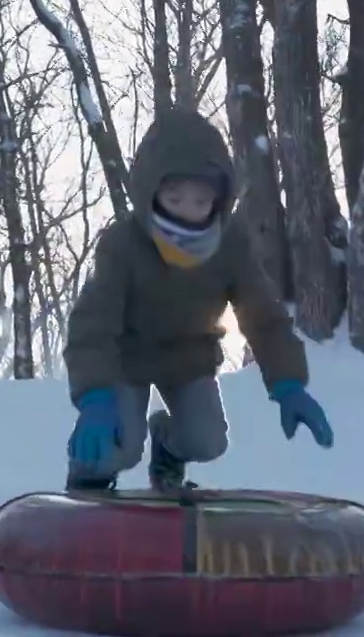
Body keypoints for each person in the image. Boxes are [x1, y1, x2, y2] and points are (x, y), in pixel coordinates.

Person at [62, 108, 334, 492]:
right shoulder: (122, 245)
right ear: (150, 192)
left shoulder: (231, 243)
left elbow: (263, 316)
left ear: (219, 198)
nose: (188, 210)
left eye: (200, 200)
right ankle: (88, 476)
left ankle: (168, 451)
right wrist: (95, 397)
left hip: (189, 357)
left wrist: (288, 384)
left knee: (207, 441)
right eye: (175, 198)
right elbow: (93, 326)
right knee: (119, 448)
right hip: (127, 359)